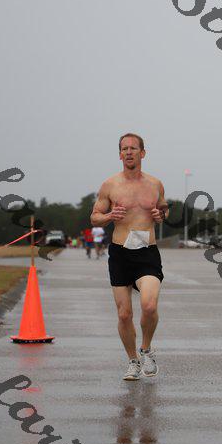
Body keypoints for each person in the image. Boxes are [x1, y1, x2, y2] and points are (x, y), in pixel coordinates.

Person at [90, 132, 168, 380]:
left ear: (142, 153)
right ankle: (133, 361)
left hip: (147, 253)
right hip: (120, 253)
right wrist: (109, 216)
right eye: (124, 149)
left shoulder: (155, 184)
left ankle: (146, 349)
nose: (129, 152)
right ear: (120, 154)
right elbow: (94, 217)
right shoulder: (110, 185)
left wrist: (160, 216)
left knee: (149, 305)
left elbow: (163, 209)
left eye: (133, 148)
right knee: (124, 314)